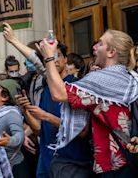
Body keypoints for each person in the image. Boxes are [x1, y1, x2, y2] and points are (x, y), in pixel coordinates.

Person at [39, 29, 138, 176]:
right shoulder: (127, 75)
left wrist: (48, 57)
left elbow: (59, 93)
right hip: (121, 161)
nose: (94, 47)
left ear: (111, 52)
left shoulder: (108, 78)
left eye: (100, 43)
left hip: (118, 165)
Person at [3, 23, 92, 178]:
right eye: (49, 58)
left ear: (65, 59)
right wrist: (27, 110)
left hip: (72, 165)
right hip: (46, 163)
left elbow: (82, 132)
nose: (53, 60)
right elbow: (39, 129)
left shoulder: (76, 87)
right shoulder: (46, 88)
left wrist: (46, 116)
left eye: (57, 56)